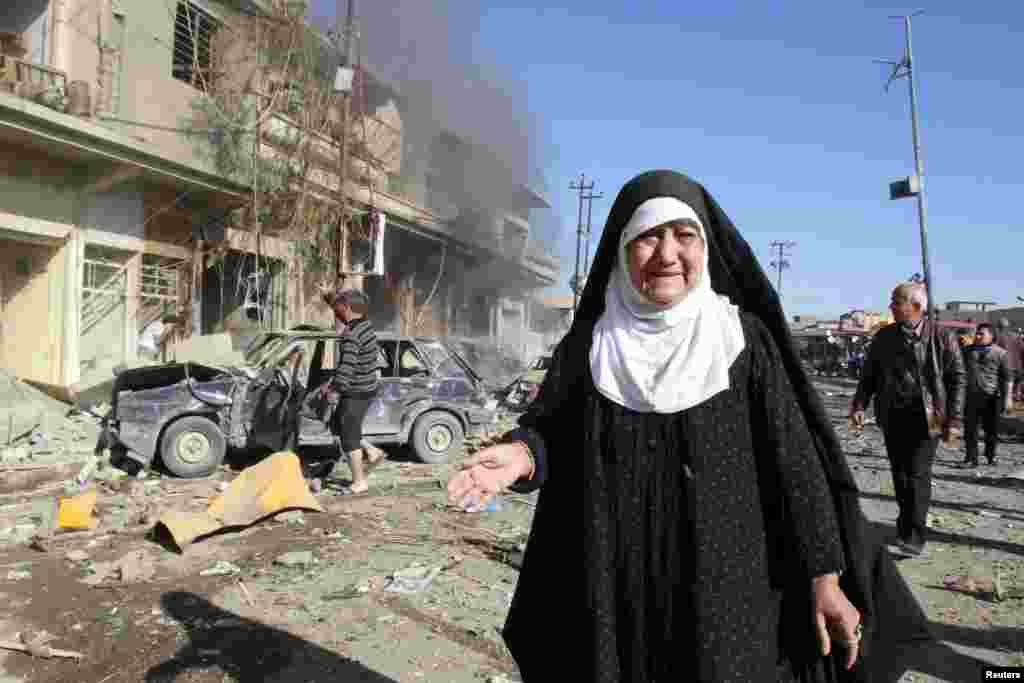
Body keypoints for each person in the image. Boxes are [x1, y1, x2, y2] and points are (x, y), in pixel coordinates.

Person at [448, 170, 901, 682]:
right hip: (615, 591)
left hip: (727, 596)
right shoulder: (588, 348)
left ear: (705, 248)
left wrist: (824, 575)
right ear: (622, 249)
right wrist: (523, 454)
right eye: (648, 236)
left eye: (684, 236)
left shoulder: (743, 343)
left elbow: (795, 463)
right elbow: (552, 431)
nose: (667, 254)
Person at [851, 282, 966, 557]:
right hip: (893, 416)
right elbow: (869, 376)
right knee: (900, 475)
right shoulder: (884, 337)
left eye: (896, 301)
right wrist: (859, 405)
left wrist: (956, 420)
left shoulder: (942, 336)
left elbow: (958, 378)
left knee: (918, 474)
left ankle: (915, 535)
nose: (891, 306)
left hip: (929, 418)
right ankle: (905, 527)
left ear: (915, 306)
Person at [313, 287, 385, 495]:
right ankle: (372, 451)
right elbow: (341, 308)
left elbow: (346, 368)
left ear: (347, 308)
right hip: (366, 388)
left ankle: (359, 481)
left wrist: (332, 390)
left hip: (356, 391)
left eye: (339, 306)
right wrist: (328, 297)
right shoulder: (364, 324)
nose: (337, 310)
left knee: (349, 437)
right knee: (338, 424)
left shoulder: (351, 335)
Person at [962, 322, 1013, 467]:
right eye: (977, 333)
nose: (977, 336)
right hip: (971, 395)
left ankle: (991, 456)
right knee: (970, 429)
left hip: (992, 397)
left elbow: (1008, 377)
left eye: (981, 334)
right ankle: (971, 458)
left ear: (991, 336)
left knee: (991, 430)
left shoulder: (1001, 353)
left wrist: (1008, 398)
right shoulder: (967, 351)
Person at [995, 318, 1024, 406]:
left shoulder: (998, 337)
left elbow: (995, 353)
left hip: (1006, 370)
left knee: (1006, 395)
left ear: (999, 327)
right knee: (1016, 394)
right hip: (1018, 369)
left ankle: (1007, 414)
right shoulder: (1017, 337)